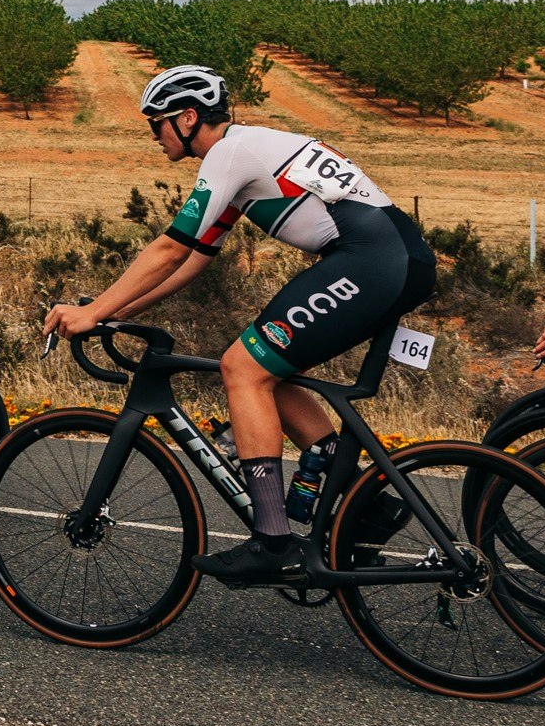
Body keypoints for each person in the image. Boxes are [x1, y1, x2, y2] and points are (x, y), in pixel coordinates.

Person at [44, 65, 437, 585]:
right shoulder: (247, 151)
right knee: (267, 366)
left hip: (372, 261)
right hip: (390, 259)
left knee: (242, 368)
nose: (154, 137)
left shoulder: (229, 153)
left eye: (155, 124)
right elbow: (196, 259)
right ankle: (366, 505)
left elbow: (168, 248)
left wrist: (91, 313)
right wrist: (116, 311)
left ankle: (272, 540)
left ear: (187, 118)